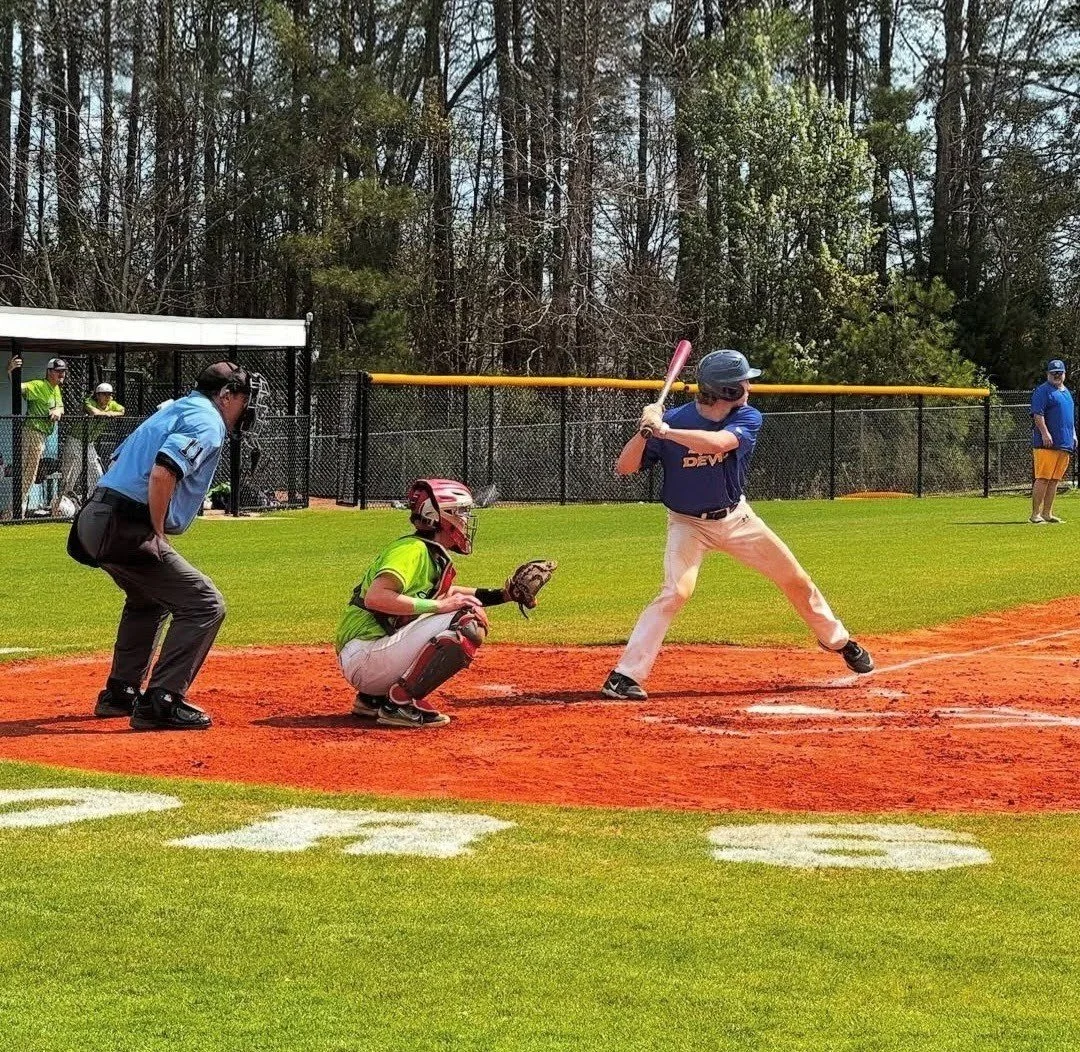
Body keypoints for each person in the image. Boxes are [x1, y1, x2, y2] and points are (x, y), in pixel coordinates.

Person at [601, 348, 874, 700]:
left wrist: (666, 431)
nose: (749, 387)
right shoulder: (673, 420)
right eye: (744, 382)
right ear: (727, 391)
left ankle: (837, 640)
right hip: (687, 524)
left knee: (795, 579)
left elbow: (719, 442)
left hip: (736, 519)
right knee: (675, 592)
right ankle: (624, 676)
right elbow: (624, 468)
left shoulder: (747, 417)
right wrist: (644, 433)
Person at [68, 362, 267, 730]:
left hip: (96, 517)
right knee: (205, 604)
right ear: (226, 396)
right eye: (245, 398)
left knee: (149, 599)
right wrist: (157, 532)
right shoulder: (207, 421)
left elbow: (117, 459)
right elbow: (164, 470)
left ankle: (120, 693)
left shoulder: (176, 407)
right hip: (124, 524)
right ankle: (162, 700)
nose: (249, 407)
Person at [335, 478, 508, 728]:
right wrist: (439, 606)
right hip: (365, 655)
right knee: (468, 620)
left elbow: (451, 593)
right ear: (440, 516)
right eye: (461, 512)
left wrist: (503, 595)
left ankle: (372, 699)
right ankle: (399, 704)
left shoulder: (426, 551)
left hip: (368, 657)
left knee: (461, 607)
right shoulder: (412, 550)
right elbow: (377, 597)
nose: (466, 520)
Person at [4, 355, 66, 516]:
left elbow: (60, 407)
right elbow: (18, 388)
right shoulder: (38, 385)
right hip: (32, 432)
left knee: (28, 475)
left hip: (41, 435)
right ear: (49, 372)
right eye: (58, 371)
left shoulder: (56, 389)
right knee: (26, 473)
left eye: (63, 371)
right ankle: (14, 511)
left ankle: (14, 510)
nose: (62, 374)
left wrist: (57, 411)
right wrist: (10, 371)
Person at [57, 382, 125, 511]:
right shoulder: (89, 401)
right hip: (75, 440)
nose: (107, 397)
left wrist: (109, 413)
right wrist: (108, 413)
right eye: (104, 395)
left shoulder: (112, 404)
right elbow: (94, 412)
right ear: (97, 395)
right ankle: (60, 507)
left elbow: (122, 410)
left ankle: (93, 503)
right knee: (71, 474)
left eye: (109, 395)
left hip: (89, 443)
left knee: (96, 472)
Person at [1029, 359, 1075, 524]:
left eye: (1059, 373)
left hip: (1064, 444)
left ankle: (1047, 513)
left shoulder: (1067, 392)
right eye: (1053, 373)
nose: (1057, 375)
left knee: (1054, 480)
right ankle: (1035, 514)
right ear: (1048, 374)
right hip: (1047, 444)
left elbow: (1069, 418)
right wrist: (1045, 433)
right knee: (1043, 478)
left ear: (1064, 374)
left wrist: (1074, 435)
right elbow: (1037, 415)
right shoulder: (1043, 391)